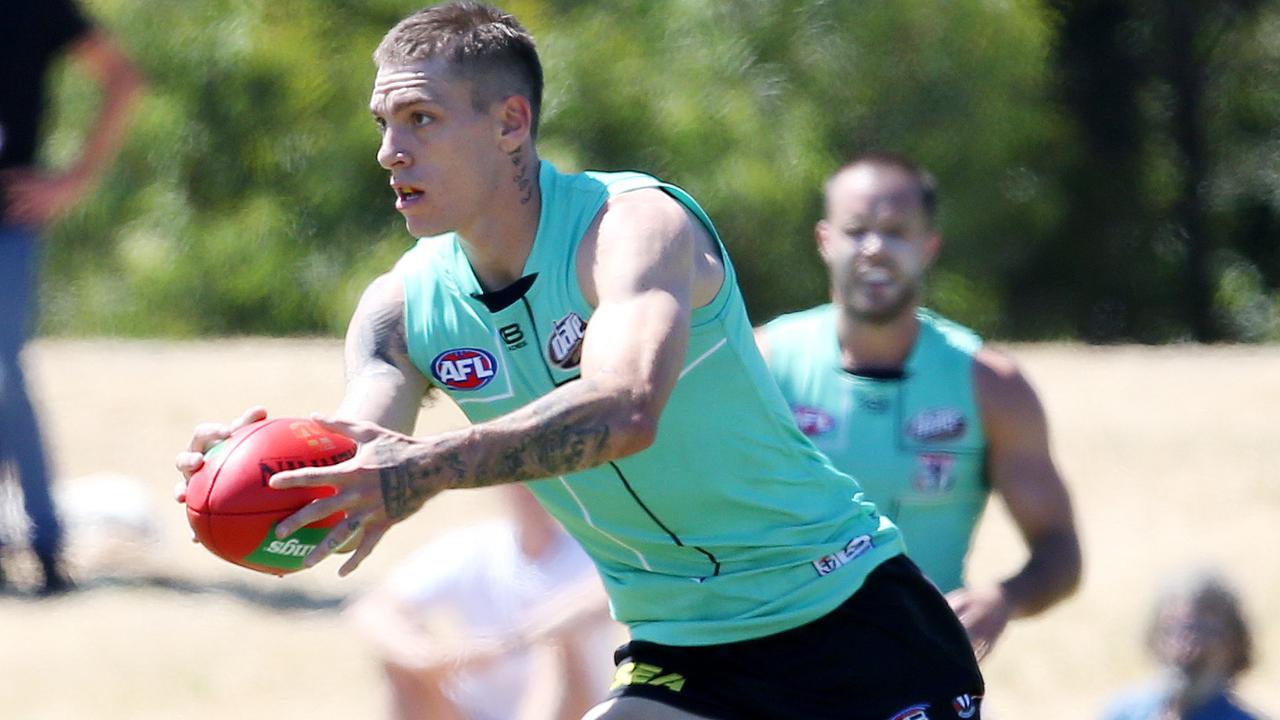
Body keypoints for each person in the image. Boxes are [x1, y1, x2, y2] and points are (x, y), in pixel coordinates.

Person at [176, 4, 985, 717]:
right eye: (382, 124)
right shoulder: (400, 309)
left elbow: (624, 407)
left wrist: (427, 470)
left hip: (847, 618)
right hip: (684, 649)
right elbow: (363, 454)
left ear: (511, 123)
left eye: (420, 118)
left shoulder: (633, 229)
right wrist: (264, 477)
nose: (390, 152)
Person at [755, 153, 1082, 660]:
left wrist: (1004, 598)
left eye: (896, 232)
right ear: (824, 241)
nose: (874, 249)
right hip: (777, 672)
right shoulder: (764, 366)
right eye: (856, 229)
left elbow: (1060, 551)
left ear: (929, 246)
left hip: (921, 674)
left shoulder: (990, 385)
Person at [1, 0, 143, 594]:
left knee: (4, 371)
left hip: (9, 216)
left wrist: (73, 179)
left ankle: (46, 544)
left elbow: (122, 78)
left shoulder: (32, 9)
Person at [346, 484, 620, 720]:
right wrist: (425, 655)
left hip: (575, 707)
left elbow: (596, 600)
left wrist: (506, 644)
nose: (531, 490)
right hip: (472, 709)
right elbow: (374, 609)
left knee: (557, 645)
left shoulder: (593, 551)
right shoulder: (476, 546)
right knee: (400, 660)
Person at [1101, 570, 1260, 720]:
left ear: (1234, 646)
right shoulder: (1122, 715)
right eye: (1175, 630)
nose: (1188, 648)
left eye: (1204, 632)